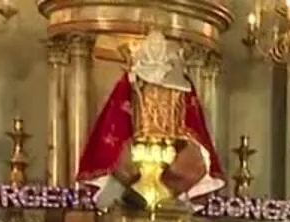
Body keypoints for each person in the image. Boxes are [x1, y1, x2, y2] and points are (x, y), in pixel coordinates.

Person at [75, 30, 224, 209]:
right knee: (124, 170)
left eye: (158, 46)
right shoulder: (132, 79)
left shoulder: (178, 80)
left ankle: (170, 199)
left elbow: (187, 113)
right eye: (152, 45)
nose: (155, 49)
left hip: (169, 141)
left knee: (188, 167)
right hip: (139, 138)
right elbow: (121, 110)